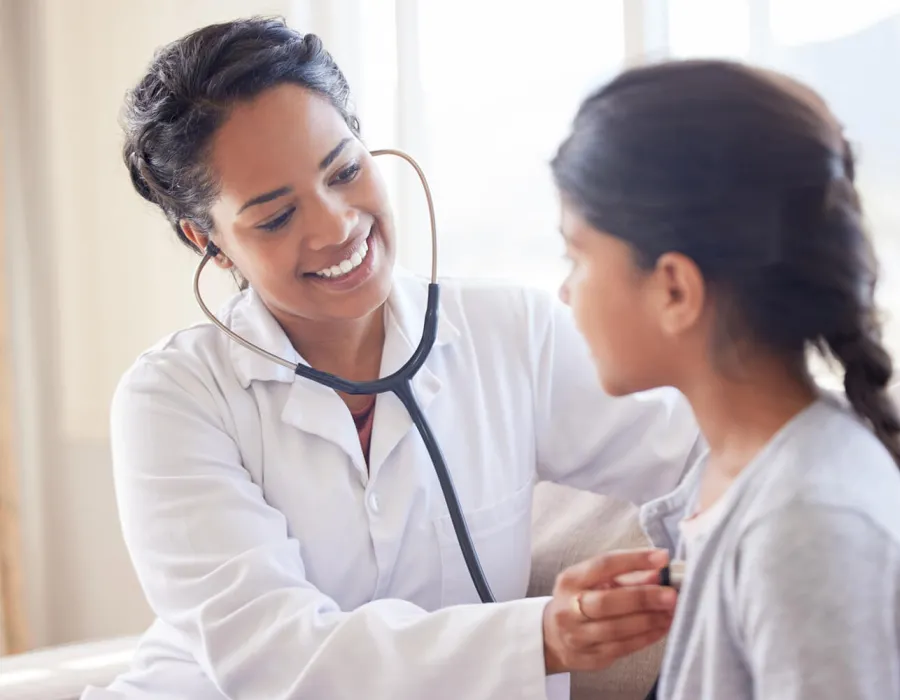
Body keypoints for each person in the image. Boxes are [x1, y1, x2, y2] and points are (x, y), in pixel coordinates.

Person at [82, 17, 703, 700]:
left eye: (345, 171)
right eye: (275, 217)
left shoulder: (510, 332)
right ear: (210, 241)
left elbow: (704, 450)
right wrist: (543, 637)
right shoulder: (173, 398)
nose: (336, 226)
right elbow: (277, 659)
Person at [551, 58, 900, 700]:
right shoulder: (733, 472)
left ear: (675, 289)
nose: (565, 292)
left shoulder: (807, 526)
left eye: (577, 255)